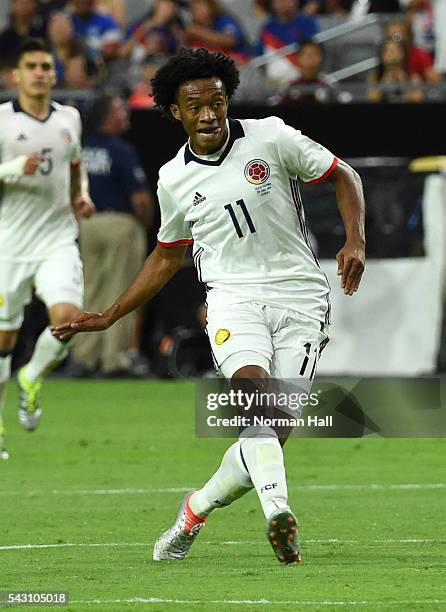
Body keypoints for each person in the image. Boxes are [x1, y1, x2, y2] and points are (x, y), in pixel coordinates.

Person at [52, 48, 365, 564]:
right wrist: (109, 314)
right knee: (254, 395)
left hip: (302, 296)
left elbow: (343, 175)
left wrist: (355, 239)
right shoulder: (174, 177)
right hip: (232, 299)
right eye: (195, 106)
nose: (208, 115)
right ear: (176, 111)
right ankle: (278, 513)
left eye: (217, 102)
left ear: (227, 100)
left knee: (268, 435)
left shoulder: (271, 136)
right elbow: (166, 257)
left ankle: (193, 511)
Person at [0, 38, 94, 459]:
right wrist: (16, 168)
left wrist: (81, 195)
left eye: (45, 65)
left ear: (54, 74)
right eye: (31, 65)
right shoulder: (2, 121)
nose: (39, 72)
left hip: (57, 238)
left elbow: (76, 163)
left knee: (68, 320)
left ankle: (31, 377)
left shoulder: (69, 118)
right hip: (10, 243)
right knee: (4, 339)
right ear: (15, 75)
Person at [71, 94, 153, 377]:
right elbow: (140, 200)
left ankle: (83, 357)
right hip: (119, 222)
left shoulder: (80, 150)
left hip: (87, 224)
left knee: (90, 288)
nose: (125, 114)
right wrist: (142, 225)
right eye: (119, 110)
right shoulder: (121, 150)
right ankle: (114, 360)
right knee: (122, 291)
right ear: (107, 116)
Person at [257, 0, 319, 84]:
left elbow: (313, 52)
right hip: (274, 84)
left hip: (303, 80)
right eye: (279, 1)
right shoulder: (267, 28)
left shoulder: (307, 23)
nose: (283, 3)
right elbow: (259, 56)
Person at [185, 0, 251, 64]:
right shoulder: (192, 27)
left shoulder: (223, 19)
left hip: (241, 61)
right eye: (193, 8)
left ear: (210, 6)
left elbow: (230, 40)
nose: (195, 11)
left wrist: (199, 33)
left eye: (198, 7)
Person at [0, 0, 46, 69]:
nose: (24, 8)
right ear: (12, 6)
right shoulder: (5, 37)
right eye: (20, 3)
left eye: (27, 3)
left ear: (34, 5)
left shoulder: (43, 30)